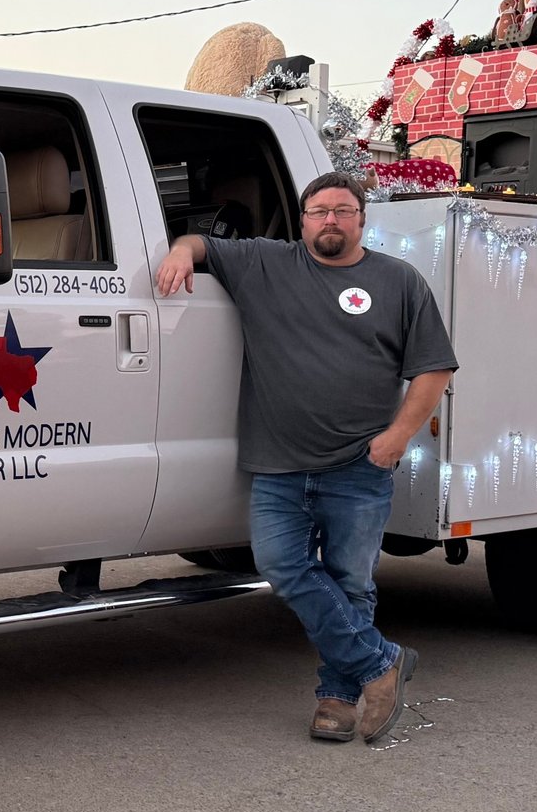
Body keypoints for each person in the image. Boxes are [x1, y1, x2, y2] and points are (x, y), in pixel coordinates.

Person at [155, 170, 457, 744]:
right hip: (279, 466)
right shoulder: (266, 264)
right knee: (281, 567)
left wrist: (398, 436)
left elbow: (434, 367)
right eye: (319, 212)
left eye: (343, 211)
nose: (331, 221)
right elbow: (202, 245)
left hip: (360, 466)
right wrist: (178, 252)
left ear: (362, 220)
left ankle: (338, 700)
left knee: (351, 581)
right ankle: (380, 663)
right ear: (302, 220)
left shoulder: (399, 282)